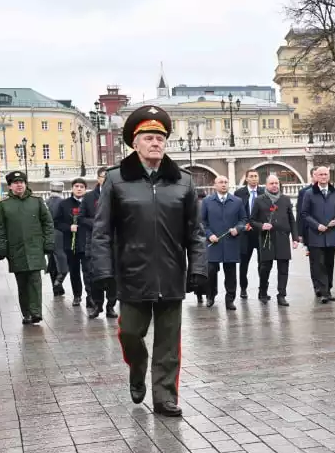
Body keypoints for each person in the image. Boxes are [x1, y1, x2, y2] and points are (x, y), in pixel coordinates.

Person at [88, 104, 207, 417]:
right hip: (131, 275)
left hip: (170, 274)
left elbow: (195, 232)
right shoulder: (116, 181)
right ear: (135, 143)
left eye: (160, 137)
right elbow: (101, 231)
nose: (156, 143)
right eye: (149, 137)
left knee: (169, 342)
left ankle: (164, 396)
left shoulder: (183, 181)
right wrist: (102, 271)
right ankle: (137, 366)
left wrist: (198, 267)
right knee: (130, 334)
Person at [0, 170, 54, 325]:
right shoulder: (3, 205)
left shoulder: (37, 201)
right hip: (16, 250)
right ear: (10, 186)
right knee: (22, 282)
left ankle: (36, 312)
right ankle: (26, 313)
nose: (19, 185)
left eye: (21, 182)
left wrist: (48, 242)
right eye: (15, 183)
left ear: (26, 184)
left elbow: (47, 223)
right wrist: (1, 247)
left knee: (35, 280)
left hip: (35, 247)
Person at [298, 165, 335, 304]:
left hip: (331, 234)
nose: (323, 177)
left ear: (328, 176)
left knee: (329, 263)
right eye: (321, 174)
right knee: (319, 264)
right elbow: (304, 214)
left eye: (325, 174)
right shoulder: (309, 194)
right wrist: (317, 225)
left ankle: (328, 289)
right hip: (315, 235)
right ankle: (324, 292)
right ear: (316, 176)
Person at [201, 175, 246, 310]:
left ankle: (230, 299)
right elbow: (202, 222)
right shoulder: (207, 201)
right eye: (220, 182)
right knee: (211, 271)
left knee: (231, 272)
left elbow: (243, 219)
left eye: (226, 182)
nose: (224, 184)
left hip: (231, 242)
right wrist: (209, 235)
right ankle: (210, 296)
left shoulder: (237, 201)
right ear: (215, 185)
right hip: (213, 243)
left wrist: (237, 229)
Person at [251, 173, 297, 305]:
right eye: (272, 183)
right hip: (267, 238)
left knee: (283, 268)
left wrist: (295, 237)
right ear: (266, 185)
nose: (275, 185)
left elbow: (292, 220)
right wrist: (261, 226)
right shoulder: (259, 200)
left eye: (276, 183)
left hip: (282, 238)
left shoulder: (285, 199)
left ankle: (281, 295)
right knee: (265, 267)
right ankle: (263, 291)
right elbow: (252, 220)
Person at [79, 167, 117, 319]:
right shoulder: (89, 198)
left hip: (113, 242)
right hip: (94, 242)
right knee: (95, 276)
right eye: (103, 176)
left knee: (113, 276)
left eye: (108, 176)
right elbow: (81, 218)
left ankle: (111, 306)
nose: (106, 179)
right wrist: (97, 224)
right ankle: (97, 305)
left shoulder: (117, 195)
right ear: (98, 178)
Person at [53, 178, 89, 307]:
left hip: (87, 243)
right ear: (72, 188)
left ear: (85, 189)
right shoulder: (64, 204)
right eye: (76, 186)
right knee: (74, 271)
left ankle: (90, 297)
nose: (79, 189)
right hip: (71, 244)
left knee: (88, 271)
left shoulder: (89, 202)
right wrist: (69, 227)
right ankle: (77, 295)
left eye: (82, 186)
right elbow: (56, 222)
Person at [233, 169, 263, 299]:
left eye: (256, 176)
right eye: (251, 176)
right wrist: (242, 226)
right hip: (245, 234)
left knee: (263, 263)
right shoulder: (239, 193)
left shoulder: (264, 192)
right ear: (246, 178)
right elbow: (236, 213)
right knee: (244, 263)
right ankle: (243, 288)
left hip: (261, 232)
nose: (254, 178)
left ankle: (263, 289)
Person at [44, 180, 69, 297]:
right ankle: (58, 282)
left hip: (47, 235)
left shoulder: (45, 202)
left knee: (52, 262)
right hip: (60, 234)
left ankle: (56, 289)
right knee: (64, 261)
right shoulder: (64, 203)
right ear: (62, 190)